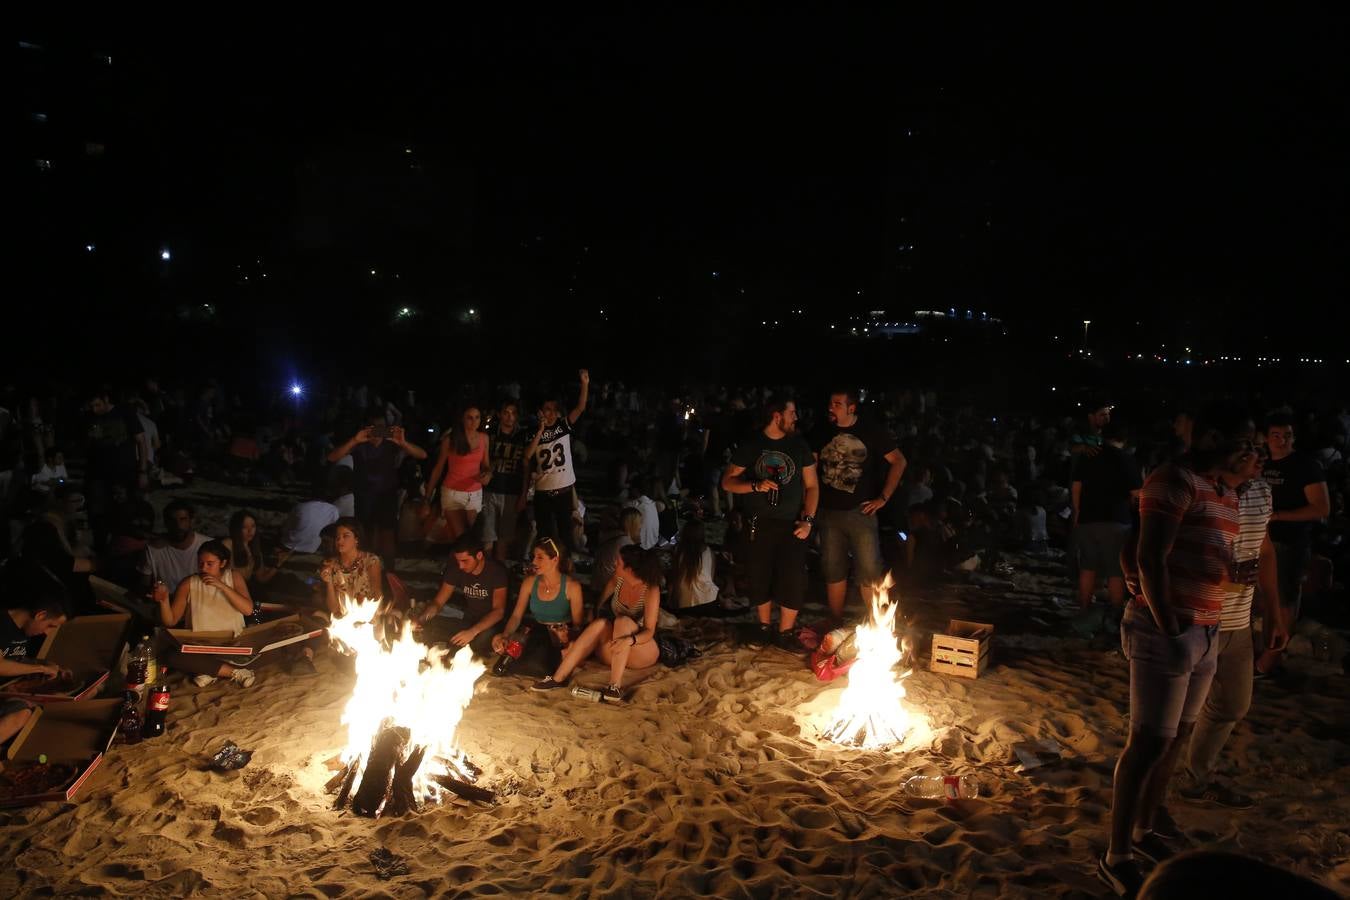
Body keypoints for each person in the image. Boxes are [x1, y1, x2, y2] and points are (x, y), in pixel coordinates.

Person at [1099, 411, 1255, 896]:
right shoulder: (1173, 479)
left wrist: (1226, 579)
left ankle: (1145, 829)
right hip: (1167, 630)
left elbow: (1195, 552)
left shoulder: (1227, 496)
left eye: (1254, 448)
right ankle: (1117, 854)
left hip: (1206, 629)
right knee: (1146, 741)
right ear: (1212, 438)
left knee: (1176, 739)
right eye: (1243, 444)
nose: (1251, 455)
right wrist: (1167, 622)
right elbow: (1145, 552)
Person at [1179, 421, 1289, 808]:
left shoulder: (1261, 491)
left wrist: (1274, 615)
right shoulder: (1197, 488)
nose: (1260, 456)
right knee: (1176, 710)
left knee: (1232, 705)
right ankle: (1166, 783)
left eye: (1260, 449)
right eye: (1251, 448)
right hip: (1196, 615)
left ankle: (1194, 775)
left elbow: (1266, 550)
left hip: (1238, 619)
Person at [721, 399, 819, 650]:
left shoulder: (798, 445)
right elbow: (728, 482)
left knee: (792, 578)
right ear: (777, 416)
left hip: (792, 524)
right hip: (758, 522)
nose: (795, 417)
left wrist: (808, 521)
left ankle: (785, 632)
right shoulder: (753, 444)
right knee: (759, 576)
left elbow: (812, 486)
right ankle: (764, 627)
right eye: (791, 413)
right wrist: (755, 485)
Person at [811, 389, 905, 622]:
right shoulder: (821, 431)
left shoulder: (871, 431)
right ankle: (836, 619)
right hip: (828, 513)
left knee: (869, 571)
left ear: (851, 408)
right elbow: (810, 468)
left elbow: (899, 461)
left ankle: (876, 622)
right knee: (833, 570)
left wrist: (883, 498)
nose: (831, 408)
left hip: (860, 512)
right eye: (830, 403)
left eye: (837, 404)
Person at [533, 544, 661, 701]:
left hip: (640, 648)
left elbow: (649, 631)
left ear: (630, 569)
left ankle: (614, 686)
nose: (615, 565)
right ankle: (558, 678)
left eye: (619, 563)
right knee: (601, 623)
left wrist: (629, 640)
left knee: (623, 622)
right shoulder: (617, 580)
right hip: (615, 650)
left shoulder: (650, 590)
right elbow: (599, 605)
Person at [1255, 413, 1330, 677]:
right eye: (1275, 435)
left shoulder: (1306, 465)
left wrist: (1276, 516)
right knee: (1265, 599)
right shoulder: (1259, 463)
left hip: (1289, 542)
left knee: (1285, 600)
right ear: (1266, 438)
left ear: (1294, 437)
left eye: (1287, 435)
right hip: (1261, 541)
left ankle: (1270, 660)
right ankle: (1264, 653)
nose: (1281, 440)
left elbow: (1321, 508)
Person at [154, 540, 257, 688]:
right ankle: (234, 672)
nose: (204, 568)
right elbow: (171, 621)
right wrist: (163, 601)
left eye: (210, 564)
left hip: (232, 643)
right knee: (170, 655)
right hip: (199, 647)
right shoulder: (188, 583)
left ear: (222, 563)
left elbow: (248, 609)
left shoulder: (233, 577)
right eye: (200, 563)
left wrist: (221, 586)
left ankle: (208, 670)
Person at [327, 412, 427, 566]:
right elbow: (332, 457)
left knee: (387, 532)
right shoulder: (359, 444)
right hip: (364, 495)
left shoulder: (391, 443)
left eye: (381, 427)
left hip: (387, 494)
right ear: (367, 428)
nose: (378, 431)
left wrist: (403, 443)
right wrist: (354, 440)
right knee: (365, 533)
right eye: (374, 427)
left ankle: (388, 569)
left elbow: (422, 455)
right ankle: (367, 568)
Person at [1071, 420, 1142, 612]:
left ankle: (1084, 607)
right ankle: (1116, 611)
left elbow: (1076, 486)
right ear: (1125, 439)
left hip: (1087, 518)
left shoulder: (1089, 456)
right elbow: (1137, 493)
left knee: (1087, 566)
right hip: (1117, 520)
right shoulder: (1126, 459)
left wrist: (1077, 512)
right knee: (1115, 570)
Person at [523, 369, 590, 552]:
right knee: (544, 533)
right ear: (540, 412)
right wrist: (540, 430)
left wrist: (585, 384)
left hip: (564, 489)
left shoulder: (563, 426)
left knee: (566, 532)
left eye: (554, 410)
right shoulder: (532, 432)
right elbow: (528, 455)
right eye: (547, 410)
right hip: (543, 490)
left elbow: (580, 408)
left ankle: (565, 568)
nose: (551, 414)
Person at [495, 537, 584, 673]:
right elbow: (516, 616)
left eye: (540, 558)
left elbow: (578, 626)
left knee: (541, 664)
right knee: (505, 651)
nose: (534, 562)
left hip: (559, 636)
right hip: (536, 632)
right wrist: (505, 635)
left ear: (555, 560)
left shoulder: (572, 587)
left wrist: (567, 635)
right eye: (534, 557)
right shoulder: (530, 583)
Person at [412, 533, 508, 659]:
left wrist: (472, 632)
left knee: (482, 640)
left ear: (479, 555)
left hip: (491, 625)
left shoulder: (496, 572)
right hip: (469, 621)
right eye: (458, 561)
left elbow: (498, 611)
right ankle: (455, 646)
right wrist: (422, 619)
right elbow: (438, 602)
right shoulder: (457, 568)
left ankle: (462, 646)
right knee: (430, 625)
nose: (461, 566)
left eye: (465, 561)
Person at [1, 594, 70, 746]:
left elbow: (13, 658)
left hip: (7, 692)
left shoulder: (24, 630)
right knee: (23, 712)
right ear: (41, 615)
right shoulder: (2, 622)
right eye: (50, 626)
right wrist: (40, 667)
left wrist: (48, 666)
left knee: (65, 698)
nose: (48, 633)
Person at [425, 406, 491, 542]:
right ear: (462, 419)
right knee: (460, 538)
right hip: (452, 491)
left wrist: (487, 474)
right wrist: (427, 498)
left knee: (472, 537)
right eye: (470, 418)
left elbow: (486, 464)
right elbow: (438, 468)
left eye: (477, 417)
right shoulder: (450, 439)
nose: (474, 421)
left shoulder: (484, 438)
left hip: (474, 492)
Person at [481, 399, 530, 562]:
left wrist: (523, 494)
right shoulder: (490, 435)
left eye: (513, 413)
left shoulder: (522, 437)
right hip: (490, 490)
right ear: (500, 415)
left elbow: (526, 467)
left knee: (504, 538)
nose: (510, 417)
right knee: (487, 537)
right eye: (506, 413)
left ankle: (498, 574)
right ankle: (485, 573)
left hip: (511, 492)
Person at [318, 517, 385, 616]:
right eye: (337, 537)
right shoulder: (331, 565)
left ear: (356, 539)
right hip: (342, 619)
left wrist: (372, 619)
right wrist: (329, 582)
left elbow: (377, 594)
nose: (340, 540)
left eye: (346, 536)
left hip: (367, 616)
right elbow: (334, 609)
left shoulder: (370, 561)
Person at [140, 500, 210, 593]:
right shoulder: (153, 549)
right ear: (166, 523)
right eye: (172, 520)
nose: (178, 525)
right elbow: (144, 585)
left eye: (183, 519)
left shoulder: (208, 545)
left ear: (191, 521)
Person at [594, 508, 642, 601]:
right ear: (633, 524)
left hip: (597, 581)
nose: (641, 526)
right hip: (605, 585)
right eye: (640, 522)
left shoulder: (613, 535)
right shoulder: (625, 543)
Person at [670, 519, 719, 609]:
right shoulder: (709, 552)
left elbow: (675, 578)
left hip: (686, 599)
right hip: (709, 597)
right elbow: (711, 578)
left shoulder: (680, 551)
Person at [223, 510, 277, 587]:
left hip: (244, 589)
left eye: (253, 526)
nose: (250, 531)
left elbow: (261, 578)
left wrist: (277, 565)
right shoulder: (228, 544)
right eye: (244, 527)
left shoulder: (254, 548)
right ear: (237, 529)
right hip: (228, 587)